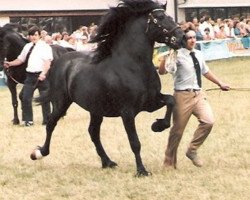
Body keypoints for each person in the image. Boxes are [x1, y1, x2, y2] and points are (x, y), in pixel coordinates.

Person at [158, 29, 230, 168]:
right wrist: (164, 59)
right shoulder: (177, 55)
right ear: (183, 40)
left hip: (198, 95)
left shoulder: (198, 54)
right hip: (181, 96)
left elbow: (205, 71)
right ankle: (169, 162)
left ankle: (192, 150)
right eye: (189, 38)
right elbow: (162, 72)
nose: (192, 40)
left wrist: (220, 83)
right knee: (177, 131)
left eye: (194, 37)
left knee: (208, 122)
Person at [4, 26, 53, 126]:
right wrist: (9, 63)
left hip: (41, 75)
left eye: (35, 35)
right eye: (31, 35)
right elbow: (20, 60)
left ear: (39, 35)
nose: (33, 37)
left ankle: (47, 120)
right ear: (29, 36)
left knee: (44, 98)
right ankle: (28, 120)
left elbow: (48, 63)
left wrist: (43, 74)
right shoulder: (27, 47)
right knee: (25, 97)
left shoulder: (45, 47)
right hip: (30, 76)